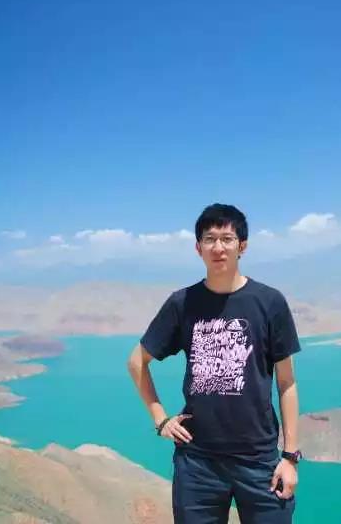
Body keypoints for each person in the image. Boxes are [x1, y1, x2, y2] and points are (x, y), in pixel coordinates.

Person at [127, 203, 302, 524]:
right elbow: (137, 361)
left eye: (227, 239)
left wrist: (290, 458)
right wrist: (161, 420)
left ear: (242, 246)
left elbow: (286, 382)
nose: (218, 247)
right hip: (198, 463)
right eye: (209, 239)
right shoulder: (182, 303)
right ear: (198, 248)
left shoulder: (269, 302)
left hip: (259, 461)